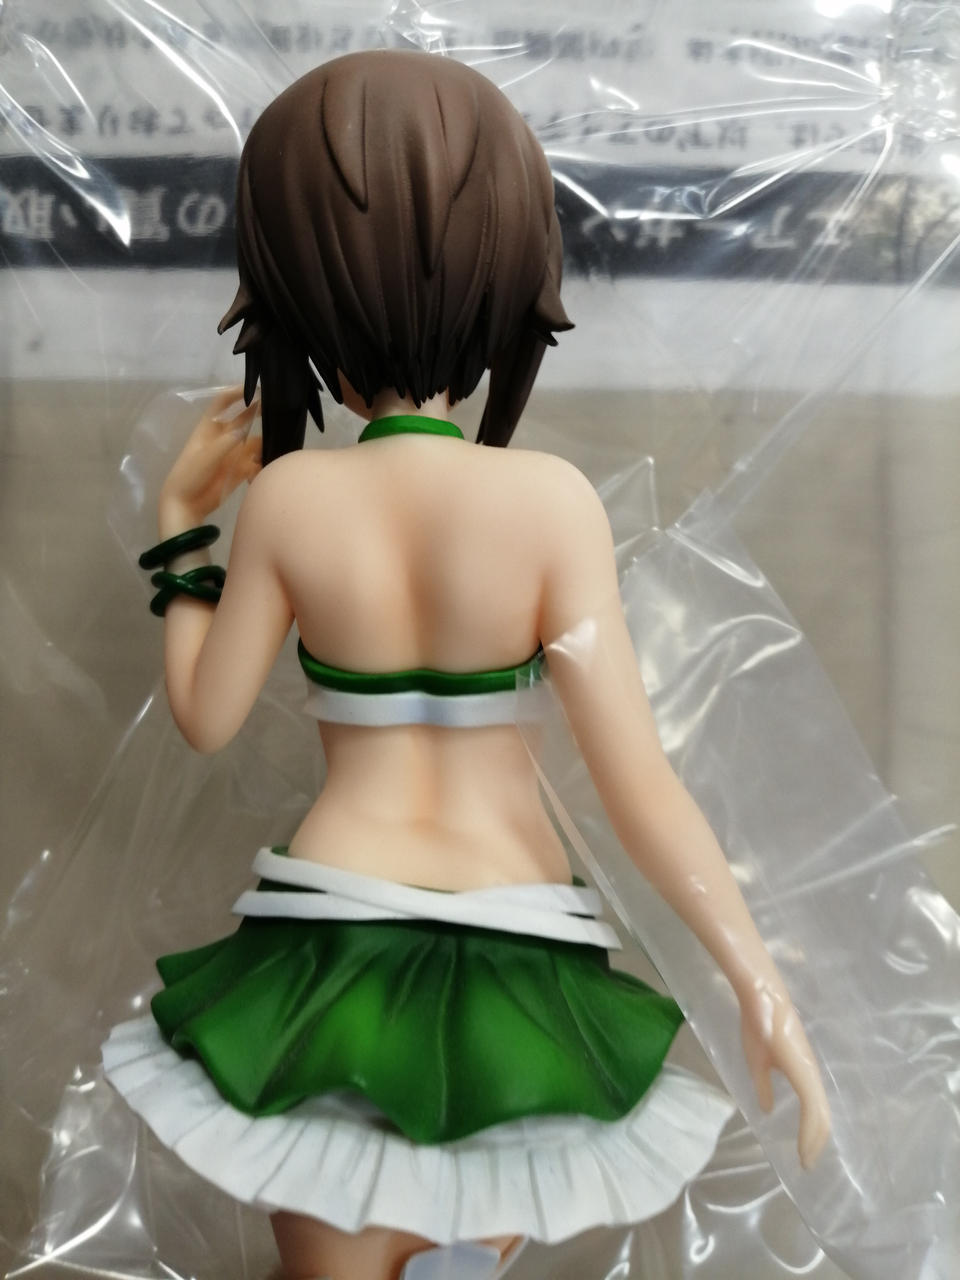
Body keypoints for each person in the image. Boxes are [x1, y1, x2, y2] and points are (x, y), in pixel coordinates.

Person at [102, 49, 830, 1280]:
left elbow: (205, 715)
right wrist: (761, 984)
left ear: (300, 300)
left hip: (331, 943)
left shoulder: (290, 499)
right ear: (506, 278)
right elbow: (641, 786)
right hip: (520, 954)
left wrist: (181, 530)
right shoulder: (551, 502)